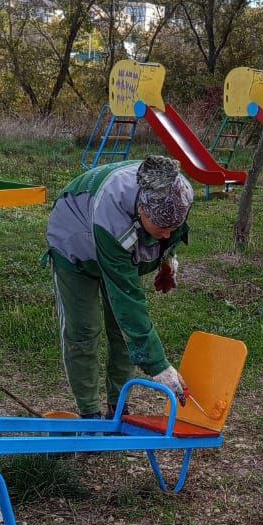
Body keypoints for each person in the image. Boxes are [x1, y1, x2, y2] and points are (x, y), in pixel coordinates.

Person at [45, 154, 193, 418]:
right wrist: (158, 365)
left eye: (174, 226)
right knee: (83, 330)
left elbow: (173, 234)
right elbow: (127, 299)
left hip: (116, 240)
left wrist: (167, 261)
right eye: (162, 227)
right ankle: (90, 416)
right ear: (141, 210)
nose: (169, 233)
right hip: (73, 243)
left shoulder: (179, 192)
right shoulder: (111, 214)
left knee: (122, 334)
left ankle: (118, 409)